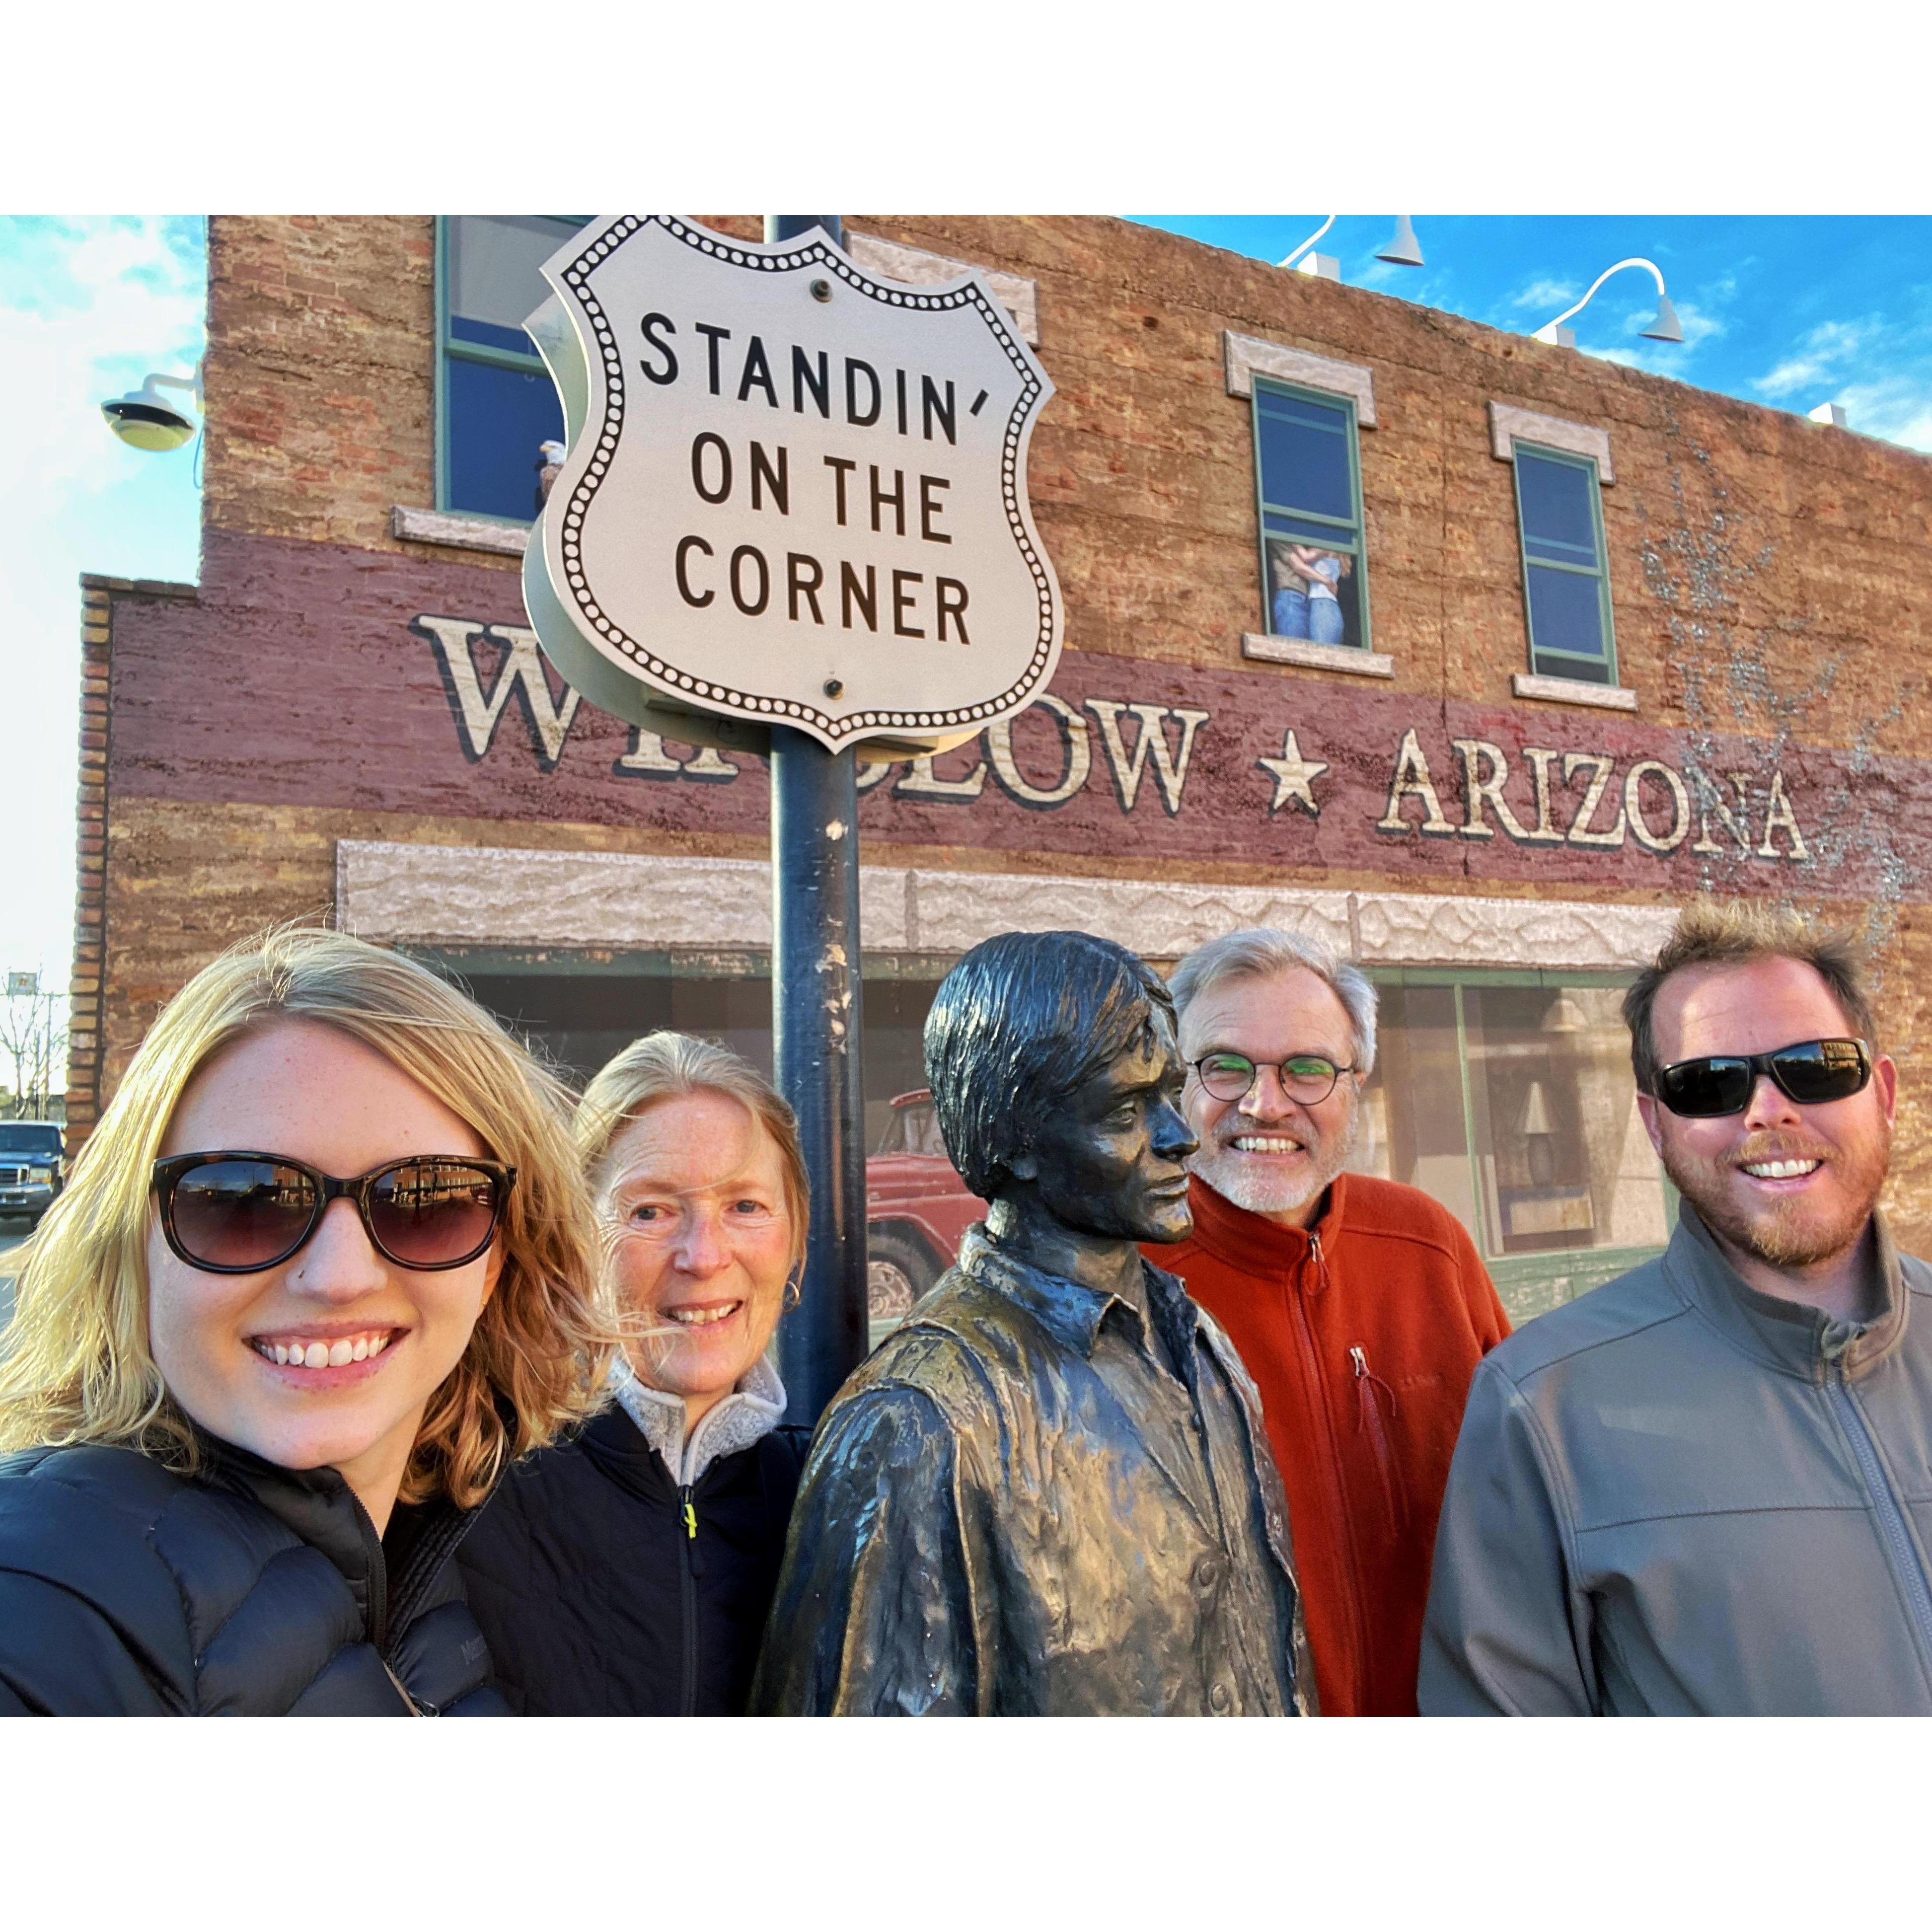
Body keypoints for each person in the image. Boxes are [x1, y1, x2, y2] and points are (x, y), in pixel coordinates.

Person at [0, 927, 613, 1715]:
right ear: (134, 1243)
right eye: (241, 1201)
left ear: (497, 1258)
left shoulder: (449, 1574)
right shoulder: (49, 1592)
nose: (339, 1277)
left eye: (426, 1201)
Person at [752, 929, 1311, 1716]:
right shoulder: (915, 1425)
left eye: (1169, 1091)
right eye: (1124, 1109)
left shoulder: (1198, 1340)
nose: (1179, 1134)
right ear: (1014, 1138)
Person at [1421, 899, 1932, 1715]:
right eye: (1709, 1084)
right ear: (1655, 1126)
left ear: (1884, 1092)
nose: (1768, 1110)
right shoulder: (1543, 1404)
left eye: (1817, 1065)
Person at [1153, 928, 1509, 1715]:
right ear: (1177, 1084)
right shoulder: (1124, 1278)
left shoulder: (1429, 1246)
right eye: (1224, 1065)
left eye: (1307, 1068)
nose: (1264, 1103)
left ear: (1357, 1085)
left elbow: (1528, 1508)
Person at [457, 1033, 812, 1714]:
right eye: (649, 1210)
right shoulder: (476, 1478)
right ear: (575, 1233)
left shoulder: (827, 1495)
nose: (704, 1256)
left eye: (744, 1205)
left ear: (794, 1233)